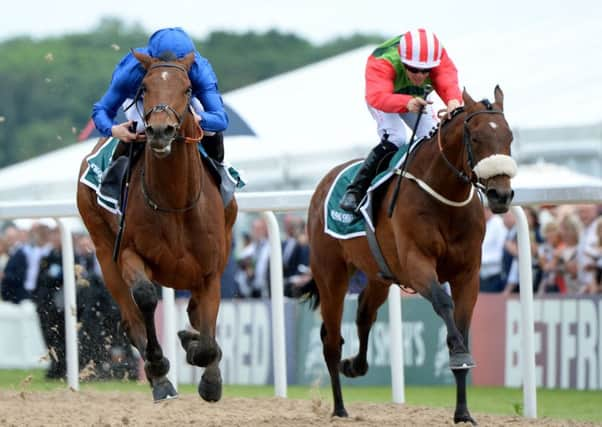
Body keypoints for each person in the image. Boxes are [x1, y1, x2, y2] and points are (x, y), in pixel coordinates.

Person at [91, 27, 228, 198]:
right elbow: (101, 110)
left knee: (210, 129)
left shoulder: (199, 70)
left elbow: (221, 118)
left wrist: (199, 119)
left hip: (182, 98)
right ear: (150, 60)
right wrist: (114, 130)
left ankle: (220, 172)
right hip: (143, 100)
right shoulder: (131, 71)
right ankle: (115, 182)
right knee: (140, 127)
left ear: (189, 62)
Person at [340, 28, 462, 212]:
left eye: (426, 71)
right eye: (414, 69)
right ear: (403, 61)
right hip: (383, 96)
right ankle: (356, 190)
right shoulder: (382, 62)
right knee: (396, 137)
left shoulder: (436, 55)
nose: (420, 76)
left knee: (432, 137)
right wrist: (407, 102)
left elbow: (447, 79)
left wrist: (453, 101)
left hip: (413, 95)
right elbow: (378, 97)